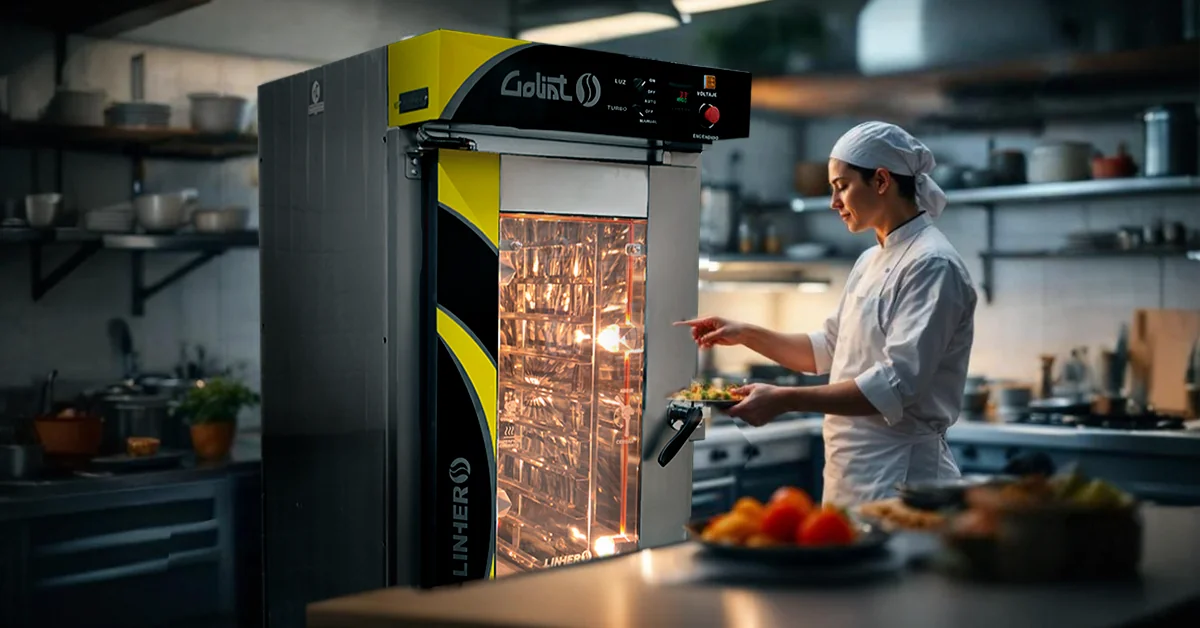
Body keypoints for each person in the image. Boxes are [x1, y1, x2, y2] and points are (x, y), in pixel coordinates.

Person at [677, 121, 977, 506]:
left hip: (904, 475)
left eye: (841, 187)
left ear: (882, 180)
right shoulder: (871, 259)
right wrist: (745, 333)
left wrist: (785, 399)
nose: (834, 202)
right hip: (849, 471)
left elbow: (896, 386)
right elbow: (827, 350)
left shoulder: (932, 264)